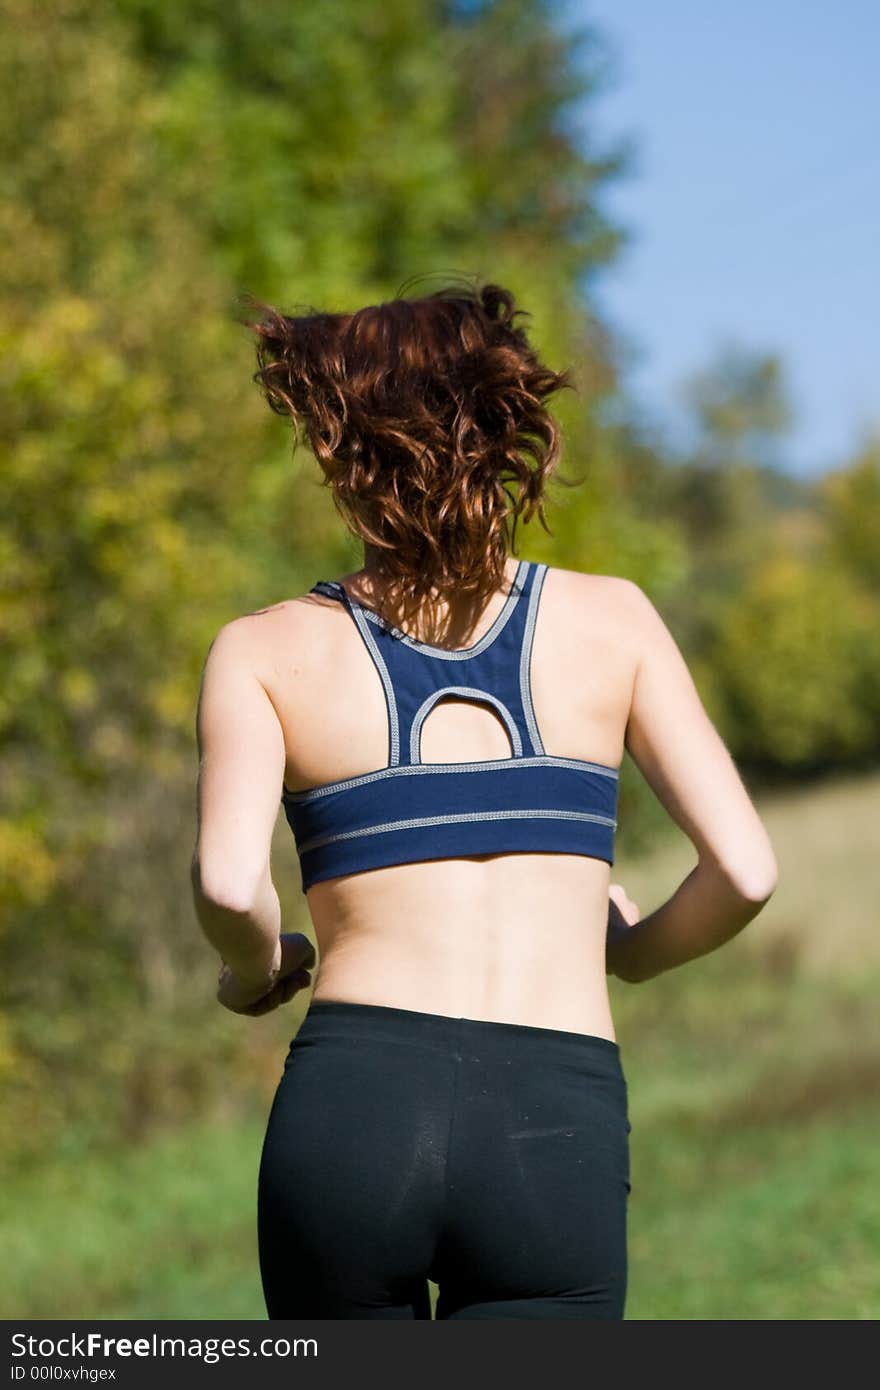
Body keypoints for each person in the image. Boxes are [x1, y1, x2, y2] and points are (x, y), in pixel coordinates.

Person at [190, 279, 778, 1320]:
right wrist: (628, 949)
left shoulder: (262, 650)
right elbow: (744, 871)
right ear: (498, 432)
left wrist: (257, 968)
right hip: (552, 1121)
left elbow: (230, 885)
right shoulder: (614, 622)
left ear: (343, 455)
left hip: (352, 1108)